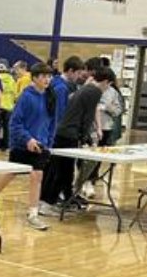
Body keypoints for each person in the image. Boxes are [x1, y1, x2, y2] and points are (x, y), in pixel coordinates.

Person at [0, 63, 55, 230]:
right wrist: (27, 140)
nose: (47, 79)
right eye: (43, 76)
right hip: (22, 144)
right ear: (34, 78)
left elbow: (52, 122)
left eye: (49, 76)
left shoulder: (50, 96)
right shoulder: (26, 97)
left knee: (36, 175)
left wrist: (48, 142)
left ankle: (33, 214)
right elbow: (15, 123)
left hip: (41, 144)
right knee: (12, 173)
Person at [39, 66, 114, 214]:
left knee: (63, 172)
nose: (108, 88)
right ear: (106, 82)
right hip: (68, 135)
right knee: (62, 172)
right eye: (109, 85)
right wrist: (86, 138)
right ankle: (47, 204)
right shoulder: (94, 91)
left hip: (64, 133)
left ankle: (64, 199)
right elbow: (87, 117)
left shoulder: (87, 89)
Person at [0, 62, 16, 150]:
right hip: (9, 107)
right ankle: (6, 145)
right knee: (7, 128)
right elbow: (15, 93)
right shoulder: (11, 79)